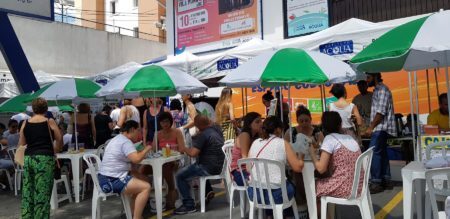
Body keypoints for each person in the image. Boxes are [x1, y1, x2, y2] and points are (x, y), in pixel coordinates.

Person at [247, 116, 304, 215]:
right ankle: (286, 215)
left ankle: (271, 215)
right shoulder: (282, 143)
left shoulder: (255, 142)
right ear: (278, 129)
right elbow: (298, 168)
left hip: (254, 194)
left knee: (273, 185)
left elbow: (248, 168)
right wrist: (301, 157)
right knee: (290, 186)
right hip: (277, 196)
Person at [98, 120, 152, 219]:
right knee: (146, 187)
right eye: (138, 131)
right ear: (132, 130)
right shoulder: (125, 142)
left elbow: (130, 159)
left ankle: (132, 213)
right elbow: (136, 159)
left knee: (144, 179)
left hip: (106, 176)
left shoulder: (117, 139)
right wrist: (146, 149)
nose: (139, 134)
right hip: (111, 180)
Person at [18, 97, 62, 219]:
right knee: (42, 193)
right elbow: (59, 138)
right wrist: (56, 151)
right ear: (46, 109)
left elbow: (21, 144)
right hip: (44, 159)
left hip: (29, 158)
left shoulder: (25, 123)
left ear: (33, 108)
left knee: (28, 191)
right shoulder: (49, 121)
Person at [174, 115, 225, 215]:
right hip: (220, 166)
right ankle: (207, 191)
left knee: (180, 175)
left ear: (198, 126)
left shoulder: (204, 135)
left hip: (208, 168)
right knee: (195, 168)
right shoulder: (216, 130)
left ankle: (189, 205)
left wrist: (184, 148)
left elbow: (193, 153)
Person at [309, 111, 363, 200]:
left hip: (345, 188)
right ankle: (328, 214)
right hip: (359, 186)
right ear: (340, 124)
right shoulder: (350, 138)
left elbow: (321, 169)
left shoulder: (330, 139)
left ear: (324, 127)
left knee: (311, 186)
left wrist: (311, 151)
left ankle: (317, 214)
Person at [140, 112, 185, 209]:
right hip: (161, 160)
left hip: (175, 160)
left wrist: (172, 150)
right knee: (144, 169)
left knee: (165, 167)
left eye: (167, 121)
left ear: (171, 121)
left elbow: (182, 149)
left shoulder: (177, 132)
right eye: (162, 122)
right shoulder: (158, 134)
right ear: (159, 123)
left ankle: (171, 192)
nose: (165, 124)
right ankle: (147, 193)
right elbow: (154, 150)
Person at [283, 106, 324, 206]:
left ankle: (310, 199)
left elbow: (322, 145)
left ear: (310, 119)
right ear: (297, 121)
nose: (304, 123)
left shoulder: (317, 132)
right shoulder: (291, 132)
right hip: (297, 162)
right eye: (301, 121)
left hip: (313, 162)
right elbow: (285, 147)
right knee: (298, 173)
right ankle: (307, 200)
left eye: (306, 120)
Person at [364, 73, 396, 194]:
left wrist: (371, 127)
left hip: (380, 127)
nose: (366, 80)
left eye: (368, 77)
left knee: (374, 153)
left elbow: (381, 112)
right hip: (380, 127)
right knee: (381, 152)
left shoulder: (382, 90)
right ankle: (386, 179)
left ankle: (376, 182)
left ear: (375, 76)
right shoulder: (378, 90)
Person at [229, 112, 262, 186]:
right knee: (261, 182)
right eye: (257, 122)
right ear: (249, 125)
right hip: (239, 172)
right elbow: (246, 158)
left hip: (249, 168)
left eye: (261, 121)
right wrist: (253, 174)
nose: (261, 124)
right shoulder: (245, 135)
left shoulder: (255, 136)